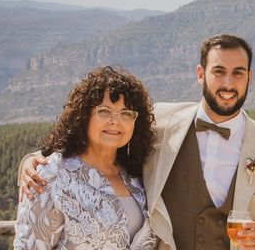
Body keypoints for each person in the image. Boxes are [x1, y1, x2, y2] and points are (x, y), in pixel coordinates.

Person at [21, 34, 255, 250]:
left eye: (238, 73)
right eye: (218, 72)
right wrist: (35, 159)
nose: (228, 83)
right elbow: (102, 138)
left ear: (249, 77)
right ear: (200, 74)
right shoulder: (158, 122)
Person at [13, 66, 157, 249]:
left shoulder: (136, 175)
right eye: (104, 111)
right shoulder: (51, 176)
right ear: (84, 116)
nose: (116, 121)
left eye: (126, 113)